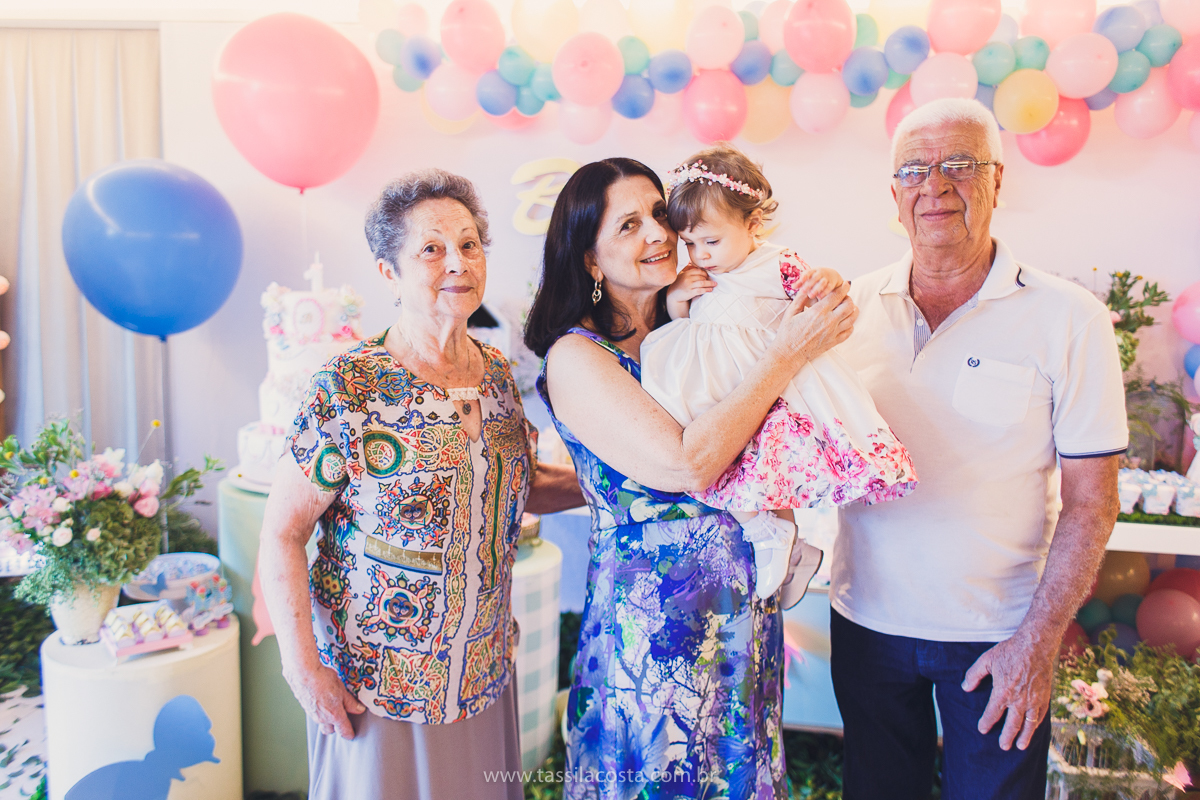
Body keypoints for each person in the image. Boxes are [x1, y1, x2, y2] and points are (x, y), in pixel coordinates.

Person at [524, 157, 858, 799]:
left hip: (740, 611)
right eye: (627, 226)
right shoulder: (577, 355)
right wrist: (787, 350)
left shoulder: (693, 325)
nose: (656, 233)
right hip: (651, 630)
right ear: (591, 261)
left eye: (658, 213)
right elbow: (687, 464)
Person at [830, 98, 1127, 799]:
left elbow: (1093, 502)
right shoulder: (844, 311)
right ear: (894, 194)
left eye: (959, 165)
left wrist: (1038, 641)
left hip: (998, 636)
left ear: (999, 180)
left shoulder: (1069, 320)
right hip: (865, 624)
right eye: (915, 169)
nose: (935, 185)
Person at [258, 169, 582, 800]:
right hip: (378, 682)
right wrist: (304, 668)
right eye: (430, 249)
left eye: (469, 244)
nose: (457, 263)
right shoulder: (348, 386)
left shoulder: (494, 374)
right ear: (388, 272)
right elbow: (284, 531)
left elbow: (513, 485)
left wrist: (626, 486)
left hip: (482, 668)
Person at [640, 143, 917, 603]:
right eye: (689, 243)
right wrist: (675, 299)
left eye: (711, 241)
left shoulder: (777, 263)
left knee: (767, 462)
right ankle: (783, 542)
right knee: (720, 459)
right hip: (719, 388)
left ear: (751, 225)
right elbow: (681, 321)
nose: (700, 255)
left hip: (766, 381)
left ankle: (778, 534)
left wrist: (829, 280)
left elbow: (828, 300)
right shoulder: (693, 272)